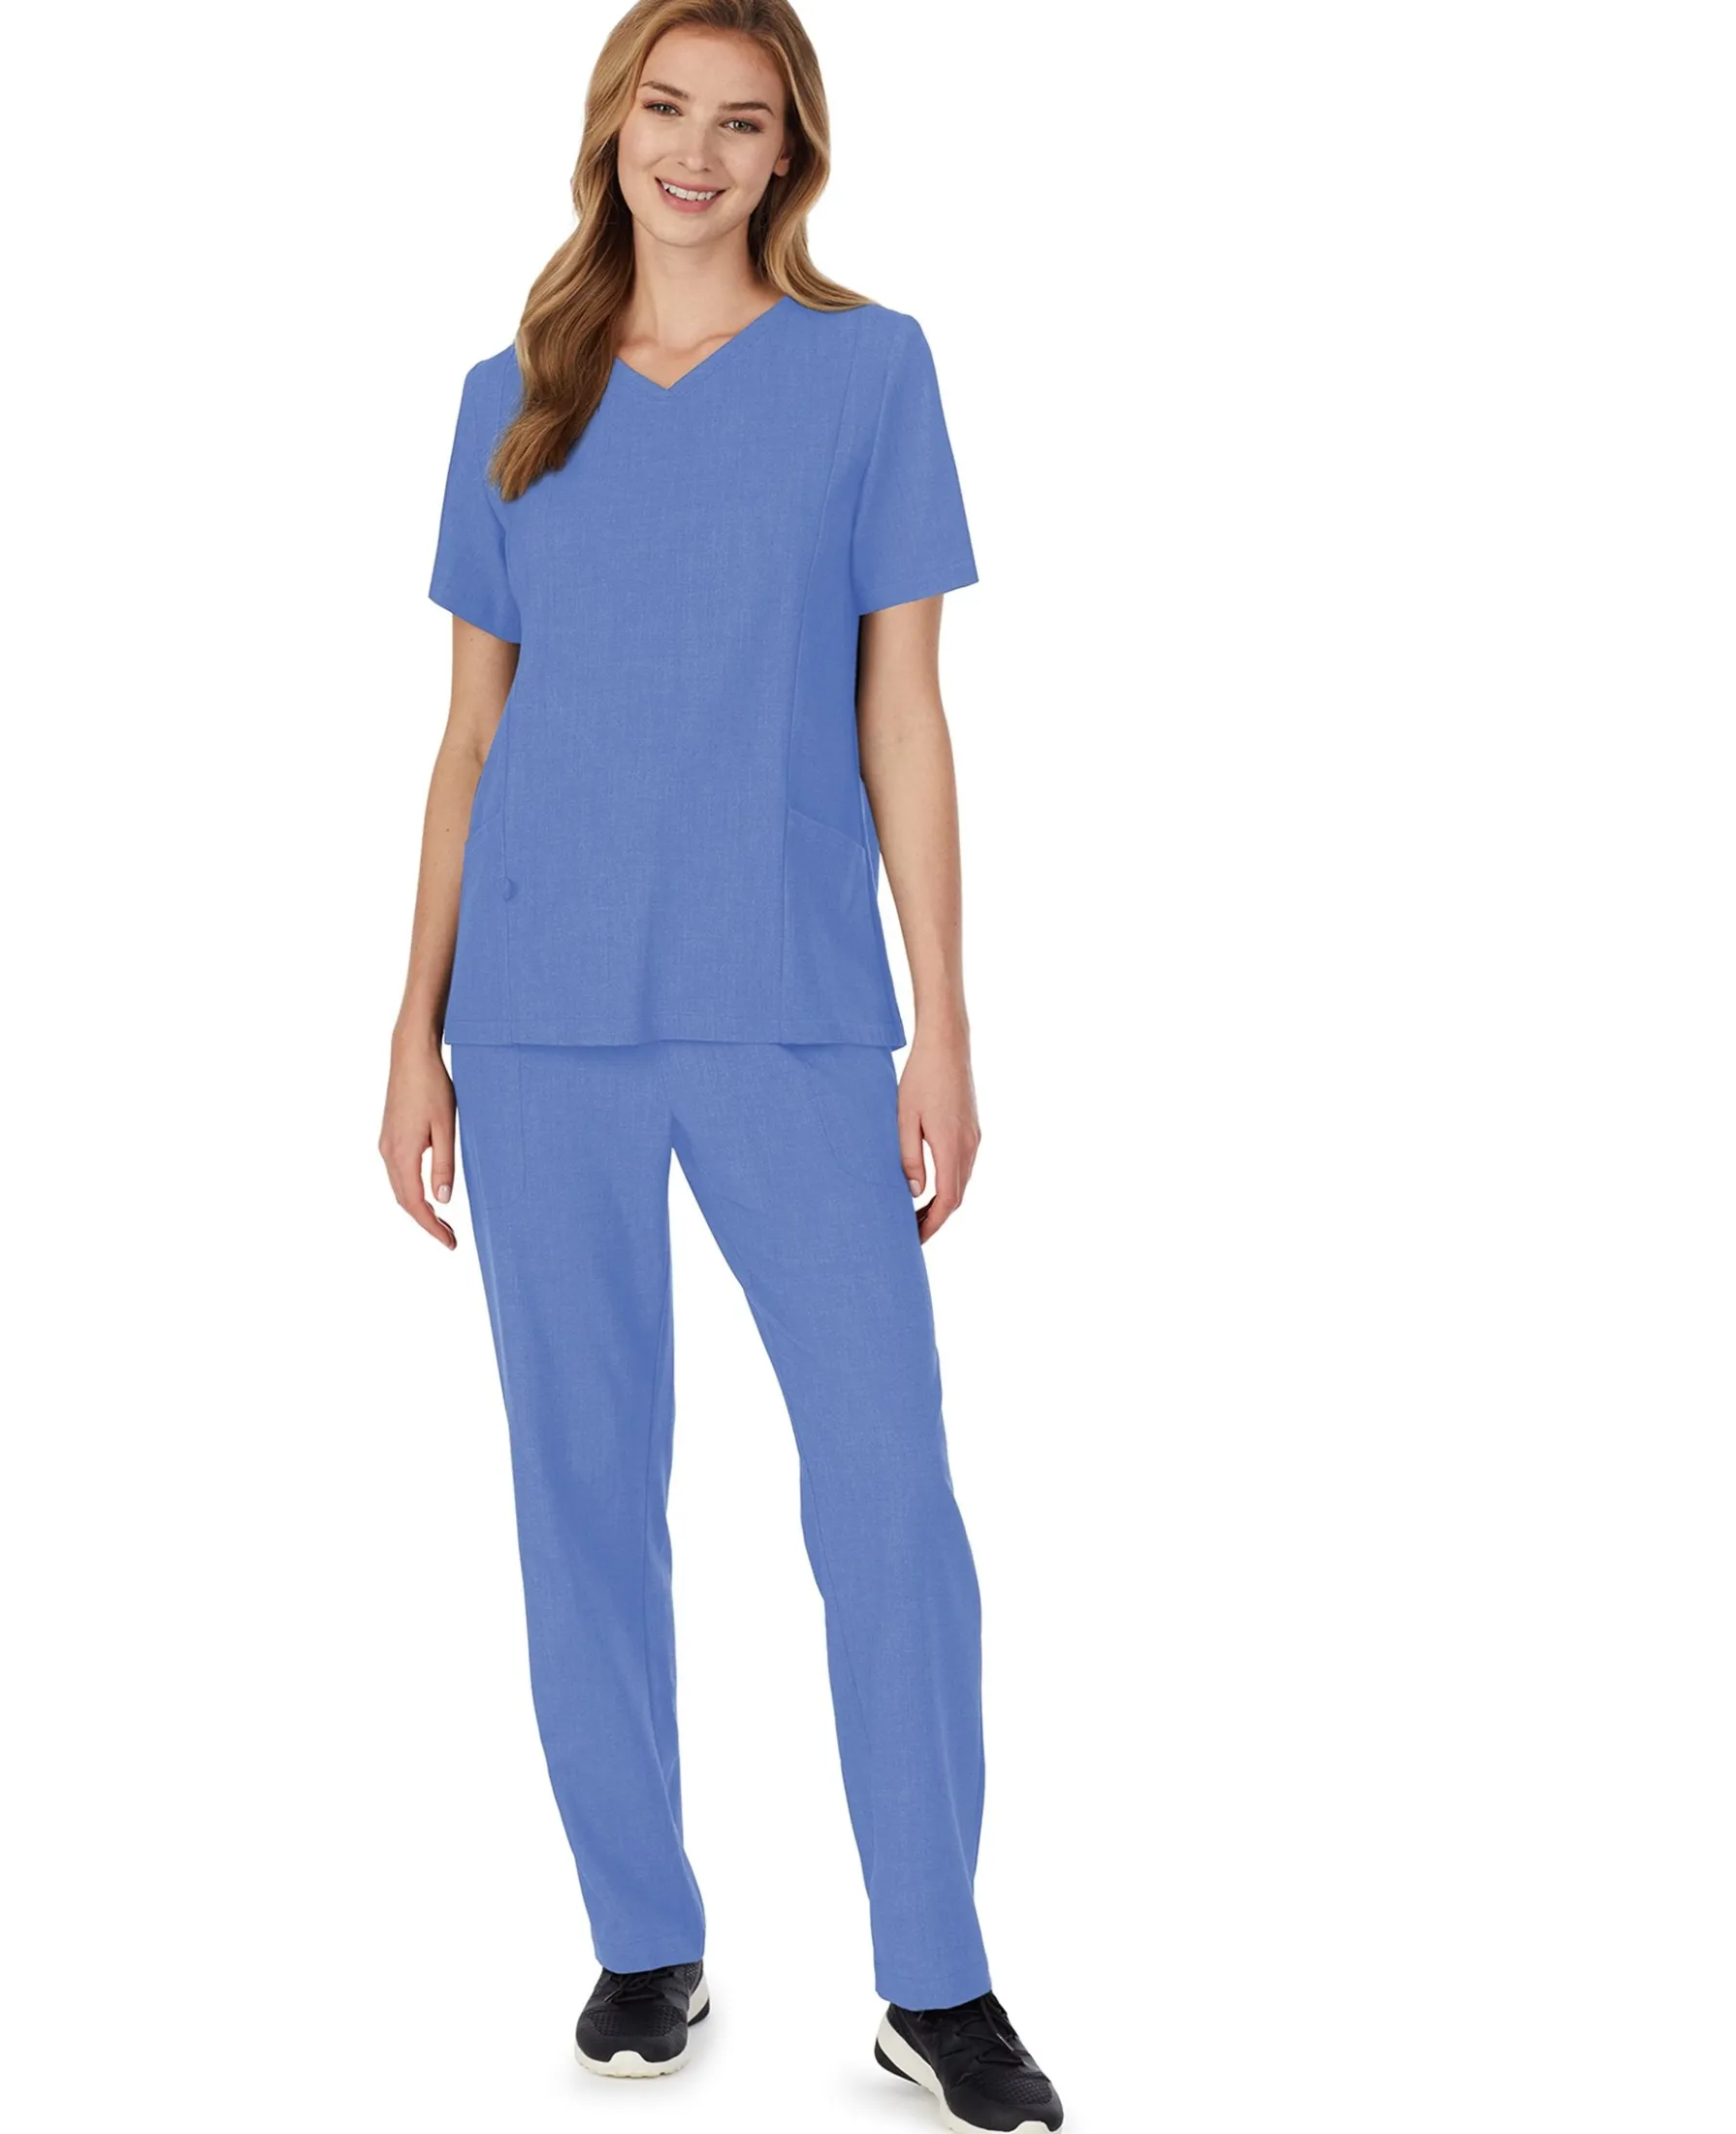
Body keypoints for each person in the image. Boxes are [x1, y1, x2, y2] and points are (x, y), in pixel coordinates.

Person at [379, 5, 1064, 2128]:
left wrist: (944, 1017)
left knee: (887, 1490)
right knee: (580, 1490)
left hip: (786, 1004)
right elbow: (470, 738)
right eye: (664, 109)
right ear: (612, 131)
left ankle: (934, 1978)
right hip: (538, 1014)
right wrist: (409, 1024)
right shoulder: (512, 397)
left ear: (789, 156)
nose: (696, 151)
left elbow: (903, 712)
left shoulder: (870, 374)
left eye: (740, 122)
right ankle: (642, 1940)